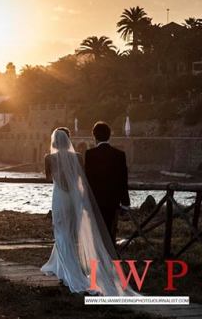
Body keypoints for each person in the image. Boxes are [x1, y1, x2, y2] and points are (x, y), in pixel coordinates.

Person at [41, 128, 136, 296]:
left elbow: (48, 178)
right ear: (68, 140)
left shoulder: (49, 158)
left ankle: (68, 273)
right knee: (71, 234)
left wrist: (57, 176)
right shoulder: (77, 157)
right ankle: (62, 268)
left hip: (60, 197)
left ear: (54, 141)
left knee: (61, 232)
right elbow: (82, 178)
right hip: (74, 198)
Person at [84, 121, 130, 243]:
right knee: (110, 231)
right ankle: (109, 257)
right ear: (109, 135)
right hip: (112, 202)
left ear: (94, 136)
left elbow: (87, 179)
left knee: (95, 232)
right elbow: (123, 180)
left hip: (94, 202)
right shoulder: (119, 155)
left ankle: (97, 259)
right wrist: (125, 203)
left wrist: (84, 200)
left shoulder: (90, 154)